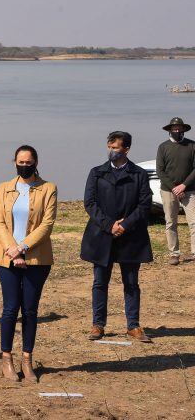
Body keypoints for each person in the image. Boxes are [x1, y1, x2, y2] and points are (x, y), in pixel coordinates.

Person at [0, 145, 57, 383]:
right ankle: (7, 359)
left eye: (29, 162)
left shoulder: (49, 188)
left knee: (30, 310)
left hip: (37, 259)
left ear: (36, 162)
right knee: (10, 308)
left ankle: (27, 360)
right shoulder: (4, 188)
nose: (24, 166)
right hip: (6, 258)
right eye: (20, 162)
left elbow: (47, 224)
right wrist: (12, 248)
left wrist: (23, 247)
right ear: (14, 162)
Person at [81, 131, 153, 343]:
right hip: (102, 235)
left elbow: (144, 204)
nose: (111, 151)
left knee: (131, 282)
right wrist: (109, 225)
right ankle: (98, 325)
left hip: (131, 237)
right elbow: (90, 203)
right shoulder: (97, 173)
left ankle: (133, 325)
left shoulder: (139, 174)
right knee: (100, 282)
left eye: (116, 147)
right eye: (109, 147)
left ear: (126, 149)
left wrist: (126, 225)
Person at [156, 117, 195, 265]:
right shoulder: (163, 147)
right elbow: (160, 170)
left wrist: (184, 185)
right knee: (171, 222)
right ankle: (174, 254)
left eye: (180, 128)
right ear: (170, 130)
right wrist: (174, 187)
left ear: (184, 129)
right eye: (174, 129)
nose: (177, 131)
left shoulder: (192, 145)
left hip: (190, 190)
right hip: (168, 190)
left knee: (193, 222)